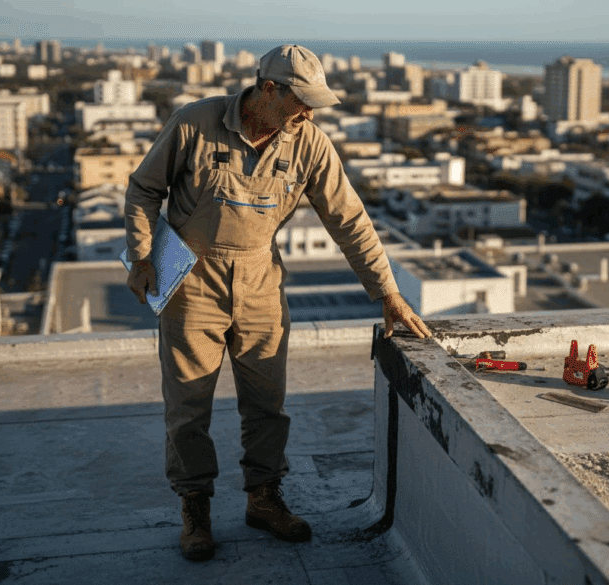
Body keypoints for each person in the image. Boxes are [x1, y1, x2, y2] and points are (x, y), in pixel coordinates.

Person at [125, 44, 431, 562]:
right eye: (302, 102)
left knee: (267, 401)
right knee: (188, 405)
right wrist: (141, 257)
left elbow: (349, 220)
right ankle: (195, 506)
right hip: (192, 280)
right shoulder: (195, 123)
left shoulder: (309, 143)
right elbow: (143, 190)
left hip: (260, 281)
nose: (309, 114)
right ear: (268, 90)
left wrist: (388, 292)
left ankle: (263, 498)